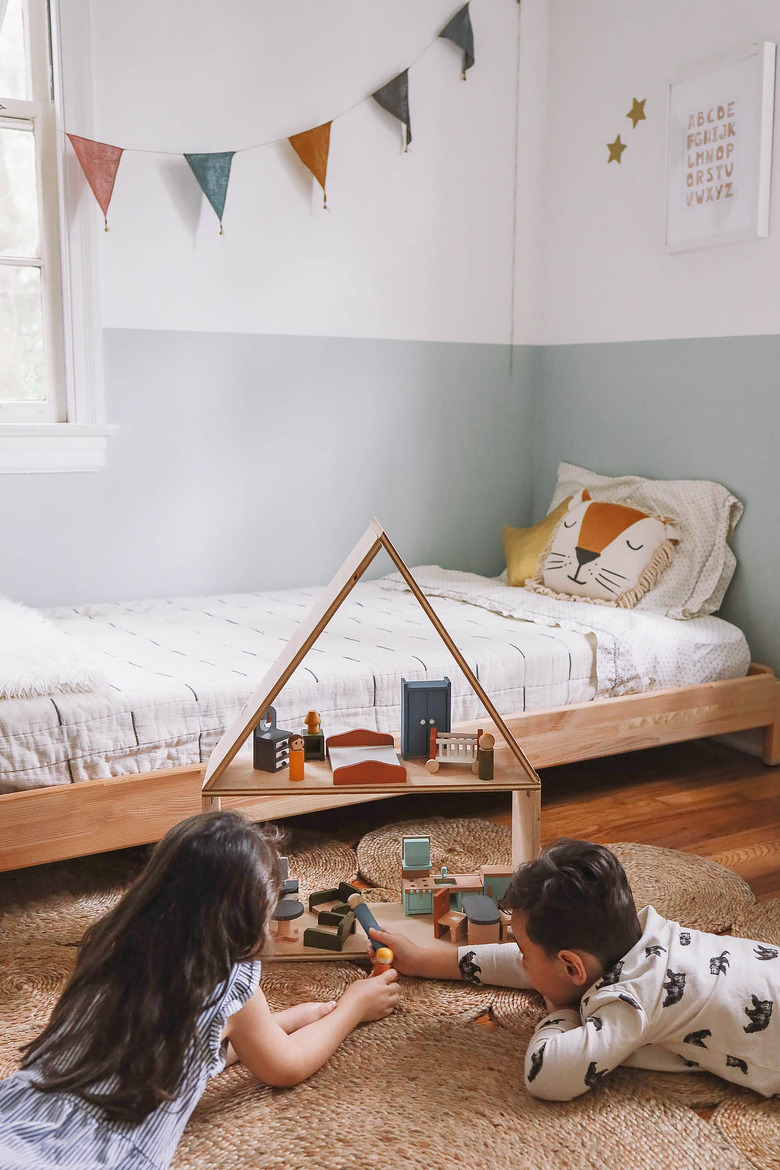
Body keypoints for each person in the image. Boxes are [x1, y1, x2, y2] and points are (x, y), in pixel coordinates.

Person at [0, 810, 400, 1168]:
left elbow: (160, 1049)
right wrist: (354, 1005)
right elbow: (286, 1066)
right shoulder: (226, 981)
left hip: (19, 1109)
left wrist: (289, 1019)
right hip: (94, 1151)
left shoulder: (108, 944)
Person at [367, 838, 780, 1100]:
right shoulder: (640, 938)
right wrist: (423, 960)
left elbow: (548, 1076)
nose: (520, 959)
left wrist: (560, 1011)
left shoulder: (630, 999)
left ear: (572, 967)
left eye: (525, 951)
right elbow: (530, 965)